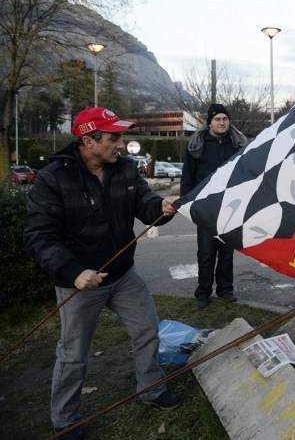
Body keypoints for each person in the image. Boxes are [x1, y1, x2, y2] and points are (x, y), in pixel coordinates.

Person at [23, 107, 182, 440]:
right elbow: (39, 235)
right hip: (79, 283)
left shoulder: (125, 168)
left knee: (148, 330)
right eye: (113, 138)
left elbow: (144, 201)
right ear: (88, 140)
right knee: (73, 352)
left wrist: (161, 208)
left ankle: (151, 389)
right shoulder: (54, 177)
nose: (121, 144)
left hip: (123, 275)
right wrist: (73, 271)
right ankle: (65, 420)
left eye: (120, 137)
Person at [181, 104, 248, 308]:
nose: (222, 122)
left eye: (225, 119)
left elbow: (246, 174)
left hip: (231, 206)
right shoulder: (197, 145)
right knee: (206, 253)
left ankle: (225, 290)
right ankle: (203, 292)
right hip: (206, 207)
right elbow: (188, 176)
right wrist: (186, 202)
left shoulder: (238, 145)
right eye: (217, 119)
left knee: (227, 253)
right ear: (209, 122)